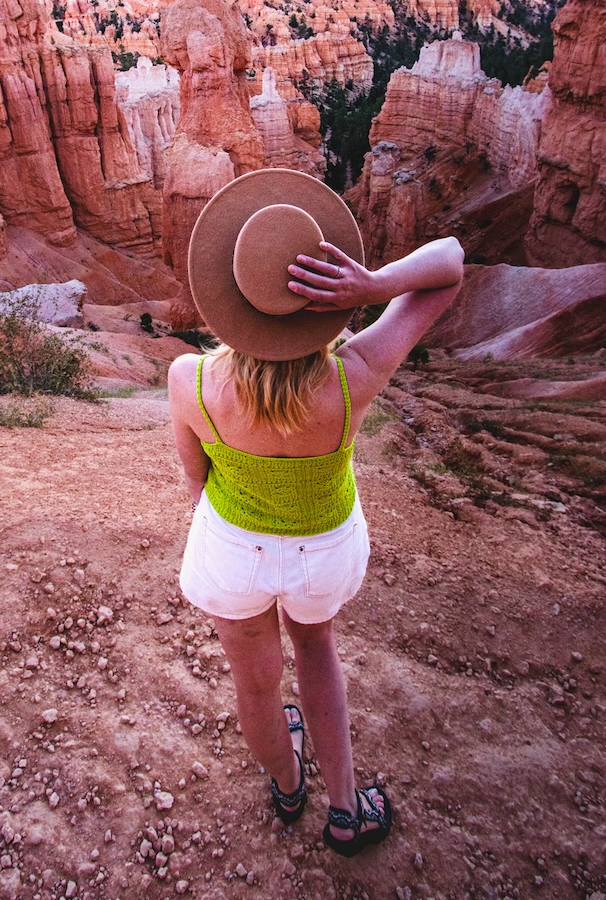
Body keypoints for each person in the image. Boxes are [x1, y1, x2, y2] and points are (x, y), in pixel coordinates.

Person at [168, 169, 463, 857]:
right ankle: (345, 808)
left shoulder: (192, 382)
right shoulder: (356, 375)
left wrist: (235, 531)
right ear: (325, 302)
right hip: (324, 551)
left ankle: (287, 780)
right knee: (316, 649)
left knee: (256, 684)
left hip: (231, 547)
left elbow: (196, 482)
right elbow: (448, 264)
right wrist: (370, 287)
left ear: (229, 300)